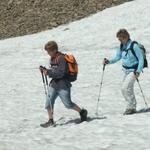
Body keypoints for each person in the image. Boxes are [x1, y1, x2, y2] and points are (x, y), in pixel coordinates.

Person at [39, 41, 88, 127]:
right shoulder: (52, 58)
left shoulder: (61, 58)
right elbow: (54, 70)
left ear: (54, 50)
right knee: (48, 103)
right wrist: (45, 70)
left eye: (49, 51)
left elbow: (61, 73)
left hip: (63, 85)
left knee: (68, 104)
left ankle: (82, 112)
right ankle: (50, 120)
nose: (48, 53)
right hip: (54, 85)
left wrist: (48, 73)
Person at [103, 29, 144, 115]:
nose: (119, 41)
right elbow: (117, 57)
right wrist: (108, 61)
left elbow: (141, 59)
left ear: (126, 37)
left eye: (120, 39)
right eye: (119, 39)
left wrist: (138, 71)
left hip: (134, 70)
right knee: (124, 89)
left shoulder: (134, 46)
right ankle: (132, 106)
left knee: (126, 87)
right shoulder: (121, 46)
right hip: (126, 71)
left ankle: (131, 107)